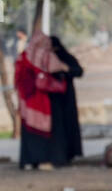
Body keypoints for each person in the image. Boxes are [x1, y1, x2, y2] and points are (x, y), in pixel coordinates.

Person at [15, 31, 69, 170]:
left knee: (29, 130)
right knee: (42, 130)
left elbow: (18, 78)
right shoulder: (45, 56)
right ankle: (43, 159)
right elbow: (59, 68)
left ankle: (28, 160)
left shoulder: (24, 56)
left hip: (26, 100)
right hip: (41, 100)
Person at [49, 35, 84, 163]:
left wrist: (66, 69)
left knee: (69, 124)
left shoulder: (66, 58)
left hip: (67, 97)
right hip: (54, 99)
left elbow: (78, 71)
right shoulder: (47, 59)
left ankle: (70, 153)